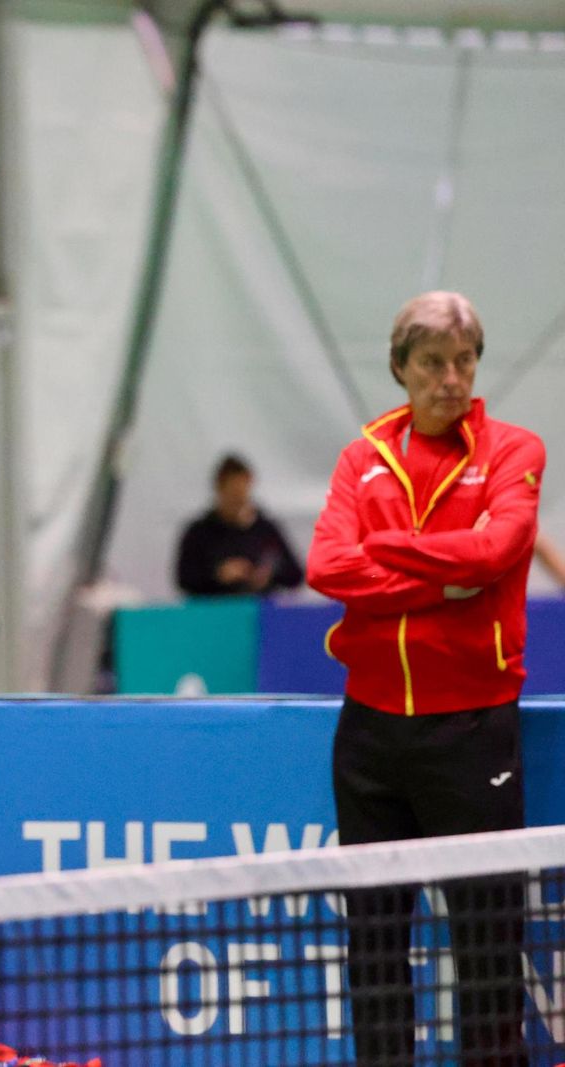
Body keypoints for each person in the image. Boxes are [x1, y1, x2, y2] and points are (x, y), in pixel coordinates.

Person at [307, 291, 544, 1067]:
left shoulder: (514, 451)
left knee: (485, 936)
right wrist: (442, 576)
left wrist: (388, 550)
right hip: (369, 731)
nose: (453, 377)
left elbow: (498, 551)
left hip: (472, 730)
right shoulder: (360, 457)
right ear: (400, 368)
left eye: (465, 360)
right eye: (434, 362)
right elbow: (325, 566)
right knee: (373, 939)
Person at [174, 453, 304, 596]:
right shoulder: (199, 533)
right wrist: (218, 575)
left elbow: (295, 574)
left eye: (241, 494)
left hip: (260, 610)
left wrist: (270, 575)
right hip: (215, 610)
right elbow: (184, 579)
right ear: (220, 489)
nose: (238, 502)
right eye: (233, 494)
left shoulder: (266, 530)